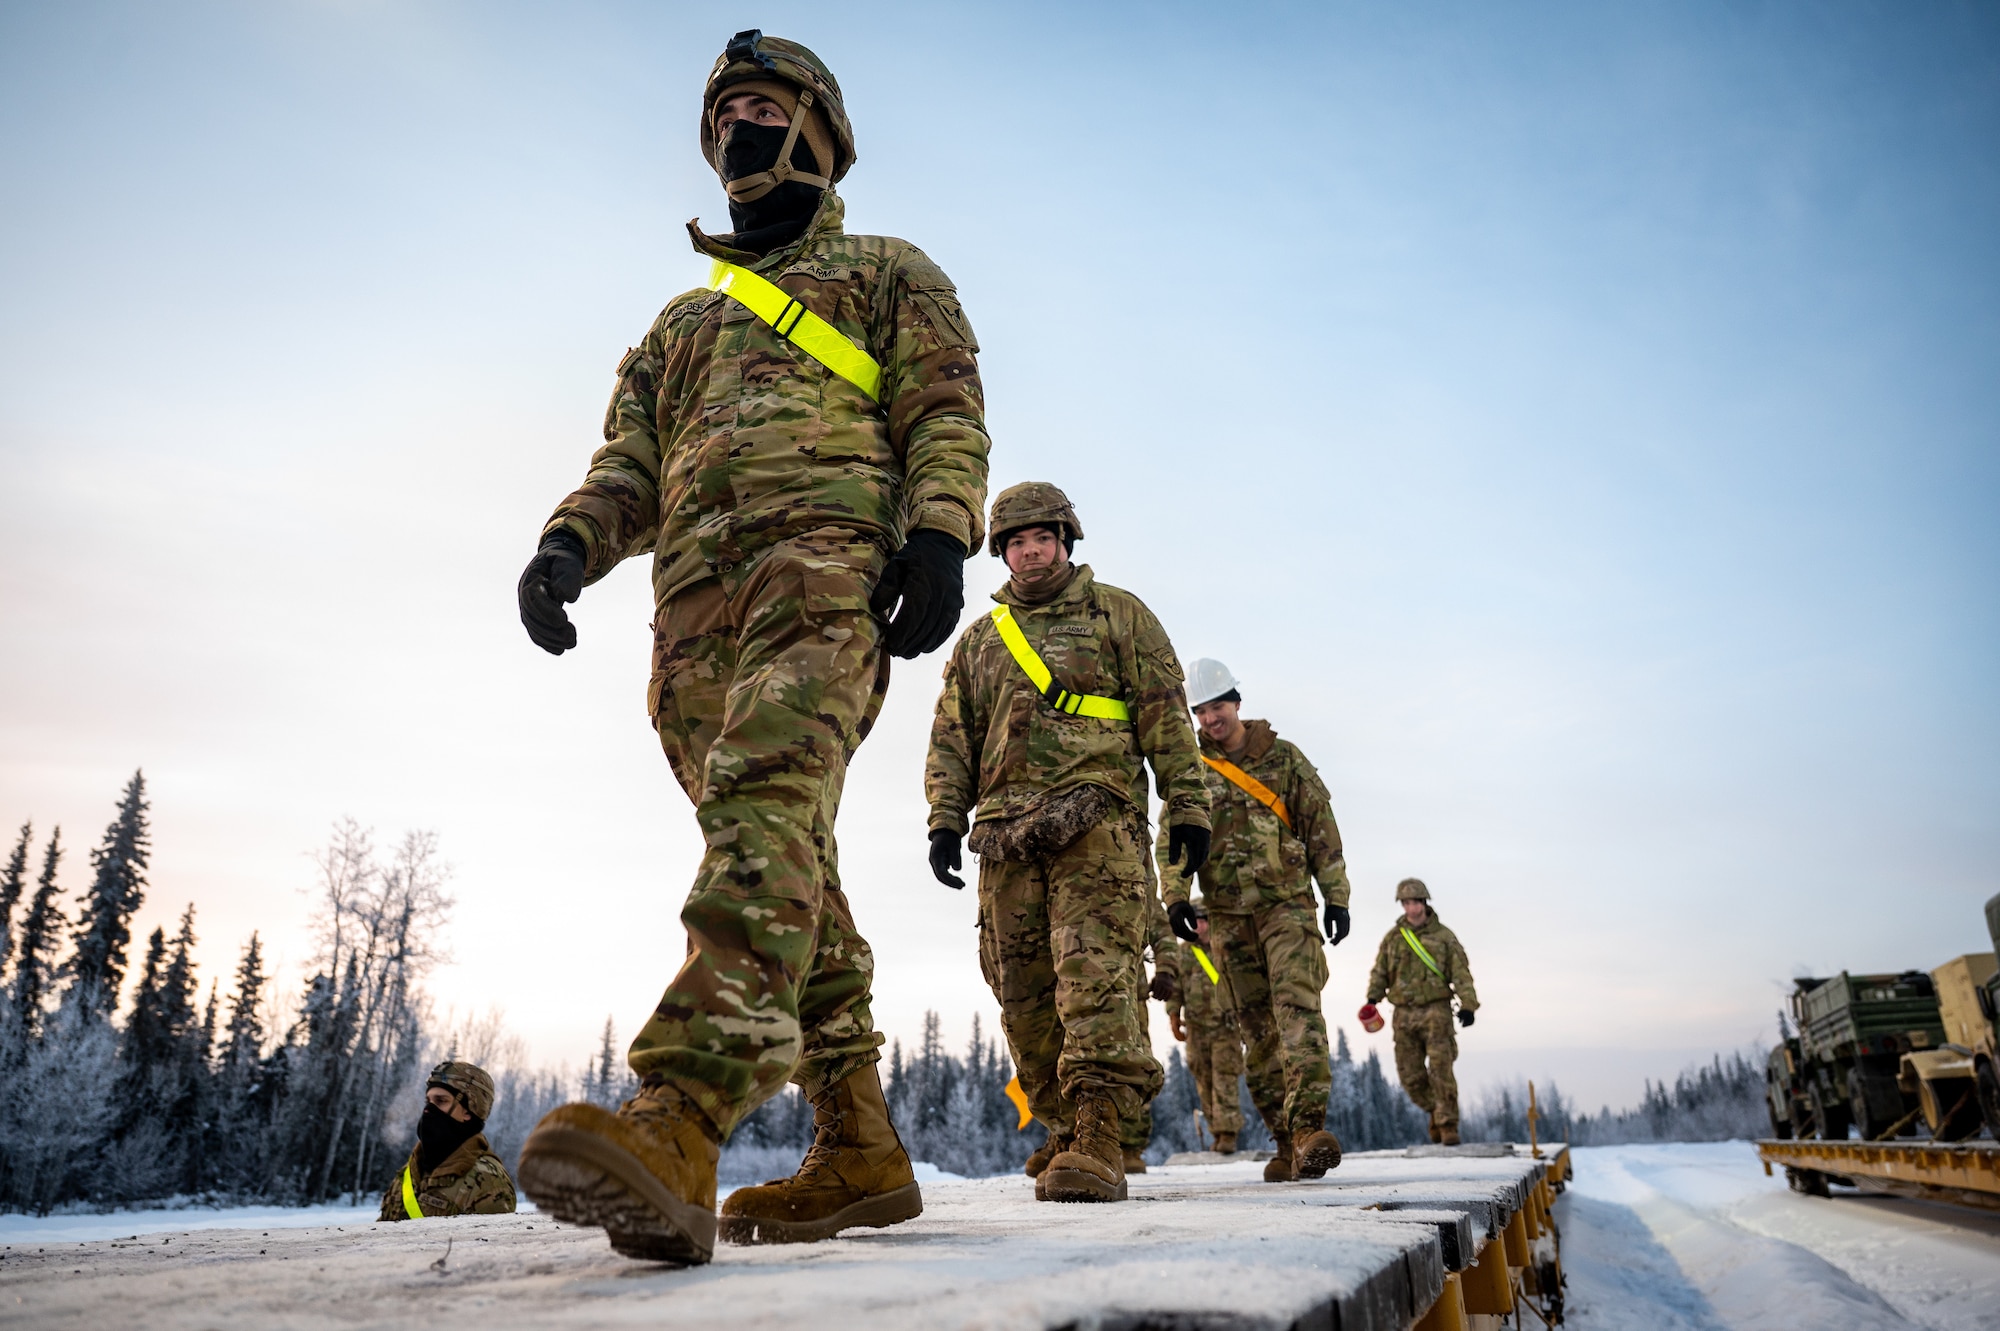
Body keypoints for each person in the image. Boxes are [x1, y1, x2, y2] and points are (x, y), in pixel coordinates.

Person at [513, 30, 990, 1266]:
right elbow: (628, 465)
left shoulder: (886, 270)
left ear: (820, 134)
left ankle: (679, 1116)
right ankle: (861, 1147)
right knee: (778, 854)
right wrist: (569, 543)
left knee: (764, 806)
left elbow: (942, 408)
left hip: (822, 582)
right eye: (722, 114)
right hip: (689, 629)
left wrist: (939, 535)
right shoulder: (678, 324)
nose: (738, 130)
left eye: (764, 108)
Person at [925, 482, 1210, 1202]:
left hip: (1097, 818)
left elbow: (1166, 716)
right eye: (1015, 542)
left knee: (1095, 977)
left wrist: (1188, 806)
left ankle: (1100, 1132)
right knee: (1021, 989)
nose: (1028, 551)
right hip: (1005, 833)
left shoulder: (1119, 613)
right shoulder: (980, 641)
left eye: (1040, 538)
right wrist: (944, 819)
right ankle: (1059, 1127)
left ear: (1065, 539)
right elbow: (953, 737)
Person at [1159, 658, 1350, 1183]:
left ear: (1236, 702)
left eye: (1217, 706)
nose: (1210, 719)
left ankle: (1310, 1127)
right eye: (1200, 711)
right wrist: (1175, 897)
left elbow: (1320, 828)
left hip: (1286, 906)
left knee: (1297, 1009)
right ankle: (1288, 1144)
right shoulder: (1190, 770)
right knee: (1257, 1031)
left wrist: (1336, 896)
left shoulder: (1283, 759)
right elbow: (1172, 840)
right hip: (1226, 917)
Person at [1363, 877, 1479, 1145]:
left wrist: (1468, 1005)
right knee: (1410, 1075)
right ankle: (1435, 1111)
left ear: (1423, 902)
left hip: (1436, 1011)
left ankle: (1448, 1125)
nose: (1409, 907)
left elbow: (1461, 973)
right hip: (1403, 1013)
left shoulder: (1444, 937)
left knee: (1441, 1070)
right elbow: (1380, 970)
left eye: (1414, 902)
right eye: (1405, 903)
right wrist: (1372, 998)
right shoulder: (1393, 939)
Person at [378, 1062, 516, 1221]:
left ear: (468, 1111)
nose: (428, 1110)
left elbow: (486, 1244)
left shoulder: (488, 1182)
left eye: (441, 1101)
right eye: (428, 1101)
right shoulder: (412, 1170)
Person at [1164, 903, 1246, 1154]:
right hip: (1197, 1029)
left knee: (1224, 1078)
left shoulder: (1227, 951)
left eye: (1203, 920)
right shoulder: (1184, 953)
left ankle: (1227, 1133)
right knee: (1204, 1080)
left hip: (1226, 1026)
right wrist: (1173, 1016)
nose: (1199, 925)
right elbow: (1175, 988)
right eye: (1195, 920)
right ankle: (1215, 1131)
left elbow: (1243, 985)